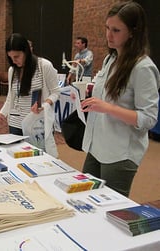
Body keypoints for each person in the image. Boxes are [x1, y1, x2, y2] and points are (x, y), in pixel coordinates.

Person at [80, 1, 160, 197]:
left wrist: (107, 108)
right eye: (107, 28)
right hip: (97, 145)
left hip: (120, 153)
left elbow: (148, 119)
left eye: (116, 30)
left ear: (133, 32)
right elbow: (107, 96)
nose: (108, 35)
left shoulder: (143, 68)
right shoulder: (111, 59)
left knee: (109, 212)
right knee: (83, 200)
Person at [0, 33, 60, 156]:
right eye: (10, 57)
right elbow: (10, 98)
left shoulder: (44, 66)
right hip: (15, 123)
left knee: (40, 158)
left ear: (26, 51)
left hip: (37, 124)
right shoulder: (12, 70)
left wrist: (45, 104)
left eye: (17, 56)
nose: (14, 61)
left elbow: (56, 92)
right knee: (16, 159)